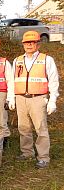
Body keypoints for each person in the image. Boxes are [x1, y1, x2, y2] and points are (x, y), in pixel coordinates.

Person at [13, 31, 59, 169]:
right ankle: (27, 152)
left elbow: (53, 80)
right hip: (21, 98)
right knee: (23, 128)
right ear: (23, 44)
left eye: (33, 42)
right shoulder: (17, 60)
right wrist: (12, 97)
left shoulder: (47, 60)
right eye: (27, 43)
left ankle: (43, 157)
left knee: (41, 128)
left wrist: (53, 100)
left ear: (38, 44)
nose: (29, 45)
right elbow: (13, 81)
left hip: (38, 98)